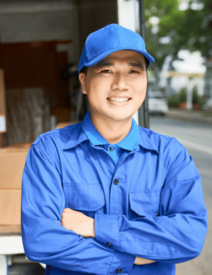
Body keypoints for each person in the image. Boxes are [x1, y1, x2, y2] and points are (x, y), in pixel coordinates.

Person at [21, 24, 208, 275]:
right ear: (84, 82)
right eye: (107, 70)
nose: (121, 84)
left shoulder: (170, 155)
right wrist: (129, 258)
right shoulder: (49, 151)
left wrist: (96, 227)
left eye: (133, 70)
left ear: (144, 81)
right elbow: (41, 240)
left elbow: (189, 236)